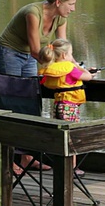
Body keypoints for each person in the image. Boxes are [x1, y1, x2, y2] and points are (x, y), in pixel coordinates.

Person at [0, 0, 77, 174]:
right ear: (58, 2)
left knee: (31, 102)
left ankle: (27, 158)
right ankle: (7, 160)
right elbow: (34, 50)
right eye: (71, 4)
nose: (73, 8)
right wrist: (57, 67)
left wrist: (77, 67)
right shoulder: (33, 13)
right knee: (11, 104)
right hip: (11, 53)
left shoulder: (61, 17)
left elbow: (64, 48)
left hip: (34, 56)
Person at [38, 38, 97, 176]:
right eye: (71, 54)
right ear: (64, 55)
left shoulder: (51, 69)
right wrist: (80, 67)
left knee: (61, 137)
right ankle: (72, 168)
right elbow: (87, 77)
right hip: (70, 107)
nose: (72, 58)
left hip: (58, 105)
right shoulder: (70, 69)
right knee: (71, 136)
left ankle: (61, 166)